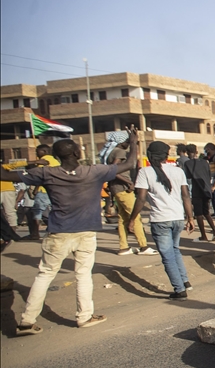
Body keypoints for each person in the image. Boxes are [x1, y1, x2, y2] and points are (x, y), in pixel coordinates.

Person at [3, 129, 141, 335]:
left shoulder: (46, 173)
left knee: (45, 274)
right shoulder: (93, 171)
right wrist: (134, 142)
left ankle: (26, 321)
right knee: (83, 274)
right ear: (77, 154)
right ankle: (84, 316)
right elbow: (129, 164)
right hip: (86, 232)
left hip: (58, 232)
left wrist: (26, 164)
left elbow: (4, 174)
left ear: (57, 156)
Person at [128, 141, 195, 301]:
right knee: (175, 250)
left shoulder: (145, 172)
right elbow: (186, 196)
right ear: (166, 155)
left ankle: (179, 290)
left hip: (160, 220)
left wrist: (132, 219)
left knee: (167, 255)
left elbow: (141, 198)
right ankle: (185, 281)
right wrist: (190, 217)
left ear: (150, 155)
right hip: (177, 218)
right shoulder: (178, 171)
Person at [105, 130, 157, 256]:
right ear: (121, 142)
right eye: (127, 141)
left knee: (123, 218)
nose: (128, 143)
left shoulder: (111, 152)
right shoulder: (120, 152)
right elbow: (114, 170)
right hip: (122, 189)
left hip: (116, 189)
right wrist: (128, 182)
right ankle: (143, 246)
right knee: (135, 215)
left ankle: (123, 247)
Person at [182, 144, 215, 242]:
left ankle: (203, 235)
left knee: (199, 213)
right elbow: (209, 175)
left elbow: (188, 177)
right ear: (196, 152)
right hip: (207, 189)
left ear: (187, 153)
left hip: (197, 191)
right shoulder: (205, 162)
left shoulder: (187, 163)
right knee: (206, 212)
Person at [27, 144, 60, 237]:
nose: (36, 153)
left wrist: (36, 189)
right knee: (52, 212)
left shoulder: (44, 160)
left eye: (38, 151)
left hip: (44, 190)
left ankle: (35, 233)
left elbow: (41, 176)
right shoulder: (56, 161)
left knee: (36, 211)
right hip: (55, 190)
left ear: (44, 152)